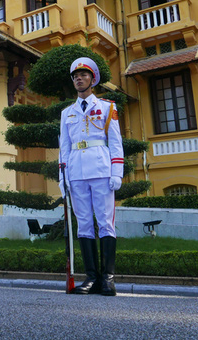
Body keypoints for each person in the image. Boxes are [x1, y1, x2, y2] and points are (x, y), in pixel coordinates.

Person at [59, 57, 124, 296]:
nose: (79, 78)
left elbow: (115, 143)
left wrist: (117, 171)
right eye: (75, 76)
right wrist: (62, 177)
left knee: (105, 222)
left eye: (83, 75)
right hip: (76, 172)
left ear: (92, 79)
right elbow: (63, 147)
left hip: (100, 170)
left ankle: (108, 278)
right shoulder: (67, 113)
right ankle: (91, 278)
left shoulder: (108, 108)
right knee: (84, 224)